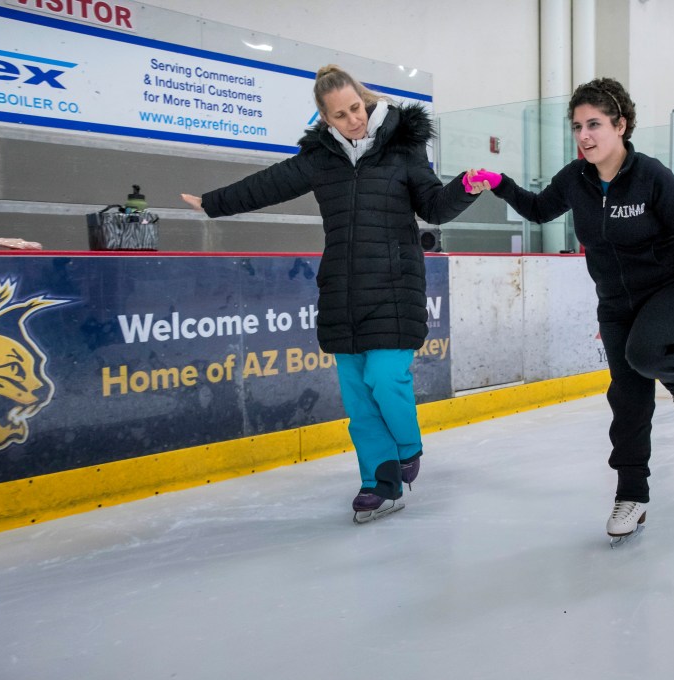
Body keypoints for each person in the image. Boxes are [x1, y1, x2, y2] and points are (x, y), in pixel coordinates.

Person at [183, 65, 485, 524]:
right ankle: (379, 485)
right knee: (359, 399)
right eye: (340, 115)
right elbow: (268, 185)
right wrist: (212, 203)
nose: (354, 120)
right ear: (325, 120)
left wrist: (464, 187)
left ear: (366, 101)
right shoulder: (320, 159)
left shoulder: (402, 150)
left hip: (395, 286)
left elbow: (434, 207)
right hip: (343, 292)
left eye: (356, 108)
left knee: (387, 379)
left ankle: (408, 446)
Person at [464, 77, 674, 545]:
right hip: (616, 303)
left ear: (621, 125)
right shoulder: (574, 180)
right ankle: (632, 493)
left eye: (594, 124)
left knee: (647, 353)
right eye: (577, 126)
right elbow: (537, 209)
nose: (584, 136)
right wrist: (499, 183)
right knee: (628, 397)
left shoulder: (651, 176)